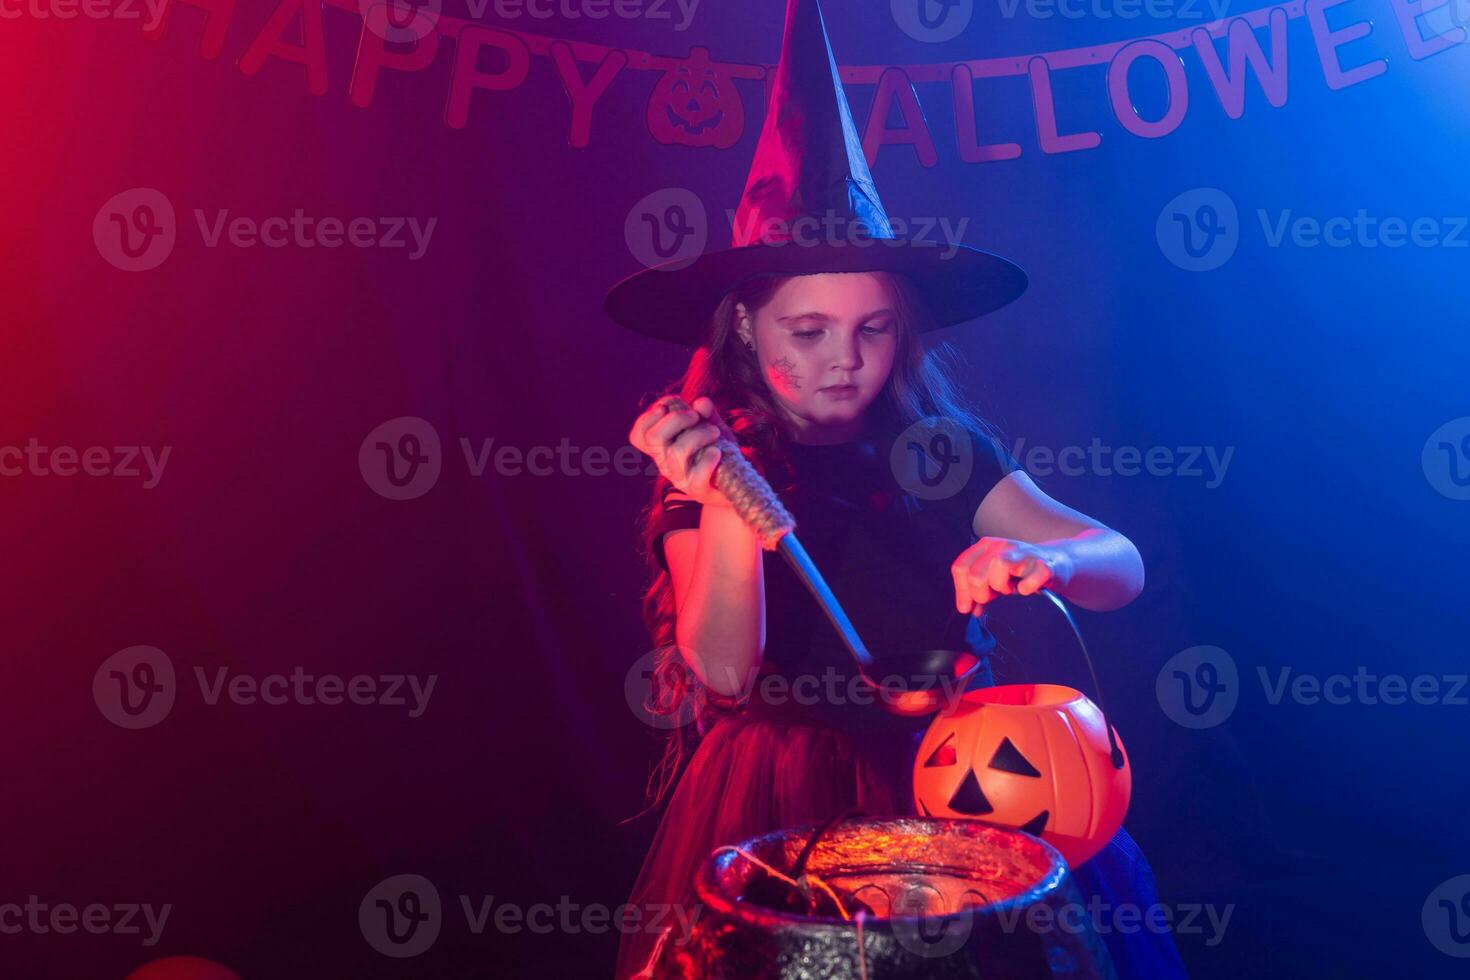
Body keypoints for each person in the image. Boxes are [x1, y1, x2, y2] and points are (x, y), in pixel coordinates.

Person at [603, 1, 1187, 975]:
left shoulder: (941, 451)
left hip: (970, 782)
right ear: (746, 329)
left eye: (872, 329)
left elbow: (1119, 565)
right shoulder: (705, 464)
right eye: (810, 331)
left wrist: (1044, 556)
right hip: (790, 797)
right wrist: (725, 500)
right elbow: (723, 672)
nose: (845, 360)